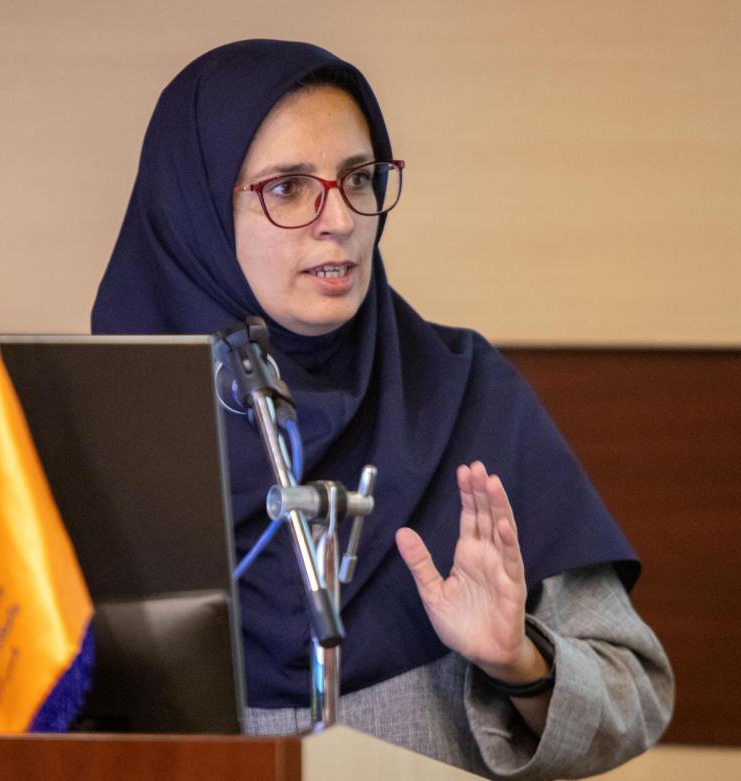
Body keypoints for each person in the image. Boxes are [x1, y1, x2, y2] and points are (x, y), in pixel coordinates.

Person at [92, 39, 673, 780]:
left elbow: (634, 695)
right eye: (289, 187)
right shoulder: (102, 428)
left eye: (359, 178)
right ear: (196, 211)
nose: (339, 219)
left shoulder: (463, 394)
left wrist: (519, 661)